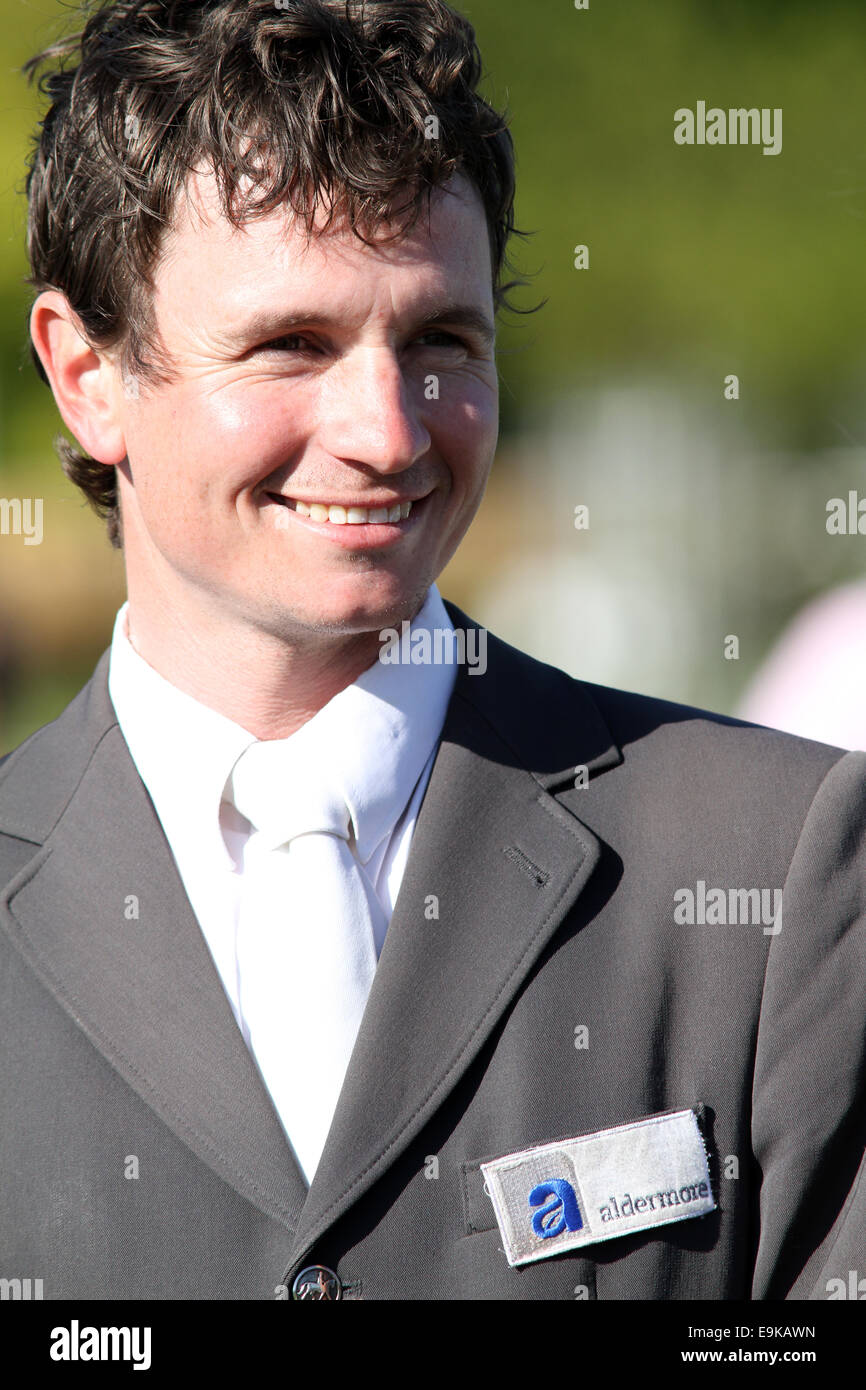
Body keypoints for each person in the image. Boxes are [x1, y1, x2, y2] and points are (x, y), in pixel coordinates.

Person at [0, 0, 863, 1302]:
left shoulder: (777, 866)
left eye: (439, 342)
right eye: (290, 344)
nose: (388, 433)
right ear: (88, 374)